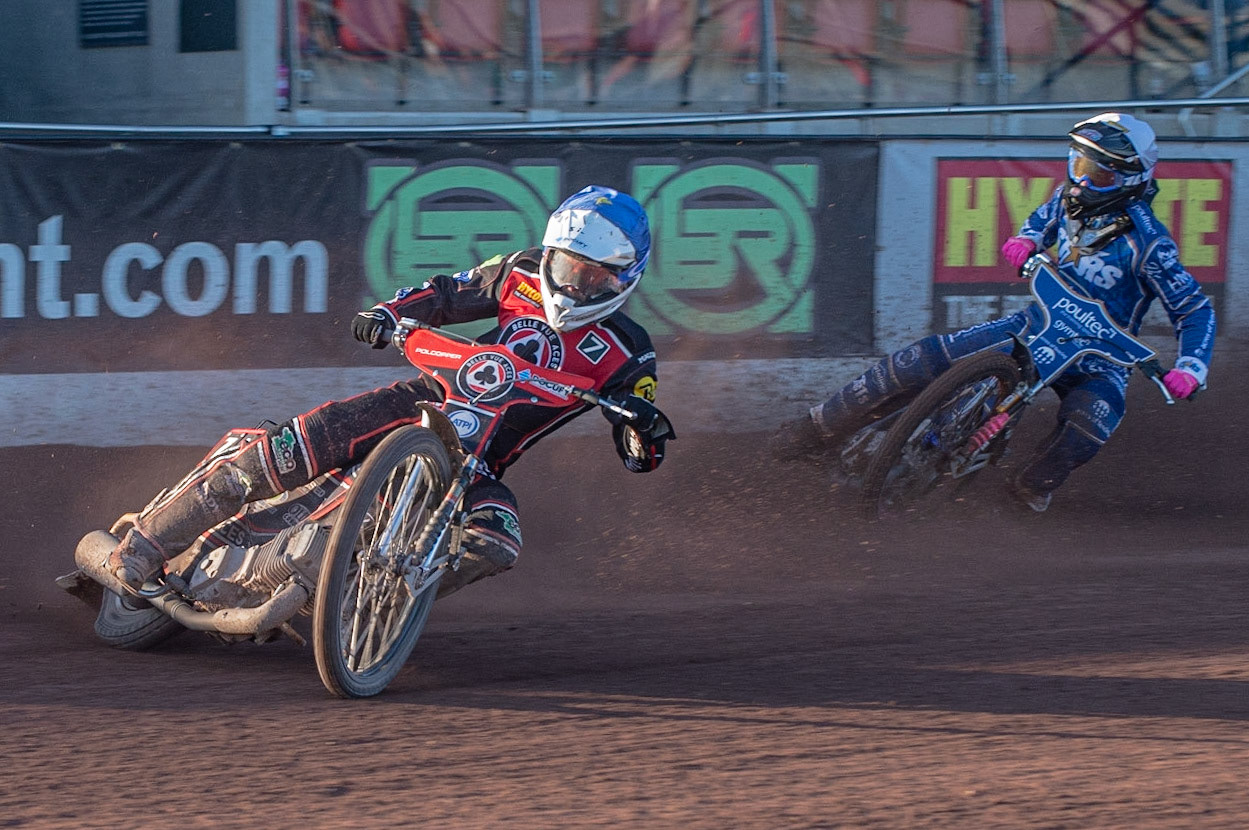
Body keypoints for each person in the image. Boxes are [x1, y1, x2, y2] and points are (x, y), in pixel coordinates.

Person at [107, 185, 676, 595]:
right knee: (285, 450)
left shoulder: (631, 352)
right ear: (549, 254)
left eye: (593, 277)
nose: (574, 285)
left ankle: (370, 601)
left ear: (625, 278)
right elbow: (448, 293)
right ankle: (143, 547)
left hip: (479, 463)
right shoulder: (519, 270)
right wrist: (387, 313)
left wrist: (642, 426)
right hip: (419, 403)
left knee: (496, 540)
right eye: (568, 267)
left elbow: (641, 456)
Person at [770, 112, 1215, 512]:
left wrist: (1190, 368)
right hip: (1036, 326)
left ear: (1131, 180)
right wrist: (1024, 241)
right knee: (920, 357)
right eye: (1078, 164)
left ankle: (1027, 491)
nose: (1082, 181)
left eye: (1098, 174)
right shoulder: (1067, 200)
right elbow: (1039, 224)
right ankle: (814, 428)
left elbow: (1194, 309)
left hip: (1101, 360)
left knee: (1087, 430)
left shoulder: (1151, 245)